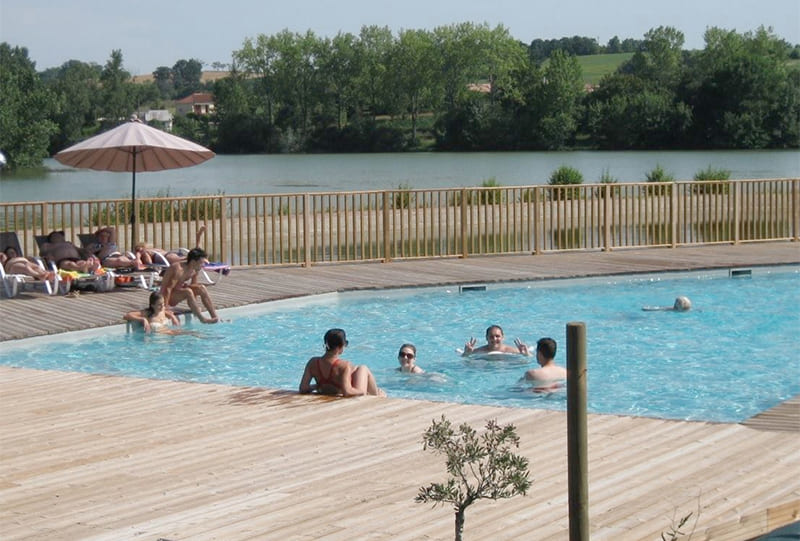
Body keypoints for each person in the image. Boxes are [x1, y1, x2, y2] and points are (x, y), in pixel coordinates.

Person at [299, 328, 385, 397]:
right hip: (343, 393)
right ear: (341, 346)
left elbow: (303, 388)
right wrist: (363, 392)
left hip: (325, 389)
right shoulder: (343, 365)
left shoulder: (313, 362)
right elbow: (347, 391)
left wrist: (317, 386)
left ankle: (375, 394)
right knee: (363, 368)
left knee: (356, 369)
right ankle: (377, 396)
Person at [159, 247, 220, 324]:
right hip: (166, 297)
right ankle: (202, 319)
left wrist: (195, 307)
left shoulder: (194, 269)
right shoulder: (178, 269)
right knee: (188, 291)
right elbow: (168, 288)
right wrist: (166, 308)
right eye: (201, 263)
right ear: (193, 261)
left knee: (201, 288)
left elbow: (194, 285)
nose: (202, 265)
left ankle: (215, 317)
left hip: (178, 292)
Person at [134, 226, 207, 266]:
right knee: (194, 256)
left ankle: (199, 251)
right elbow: (140, 255)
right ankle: (198, 240)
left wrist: (150, 265)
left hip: (167, 257)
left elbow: (149, 262)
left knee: (191, 257)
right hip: (168, 255)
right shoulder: (146, 251)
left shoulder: (148, 251)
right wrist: (140, 260)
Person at [462, 324, 531, 357]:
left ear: (502, 337)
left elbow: (529, 360)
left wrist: (526, 354)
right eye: (491, 337)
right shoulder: (478, 351)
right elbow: (465, 362)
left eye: (497, 336)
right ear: (486, 338)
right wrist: (466, 354)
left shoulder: (512, 351)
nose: (494, 339)